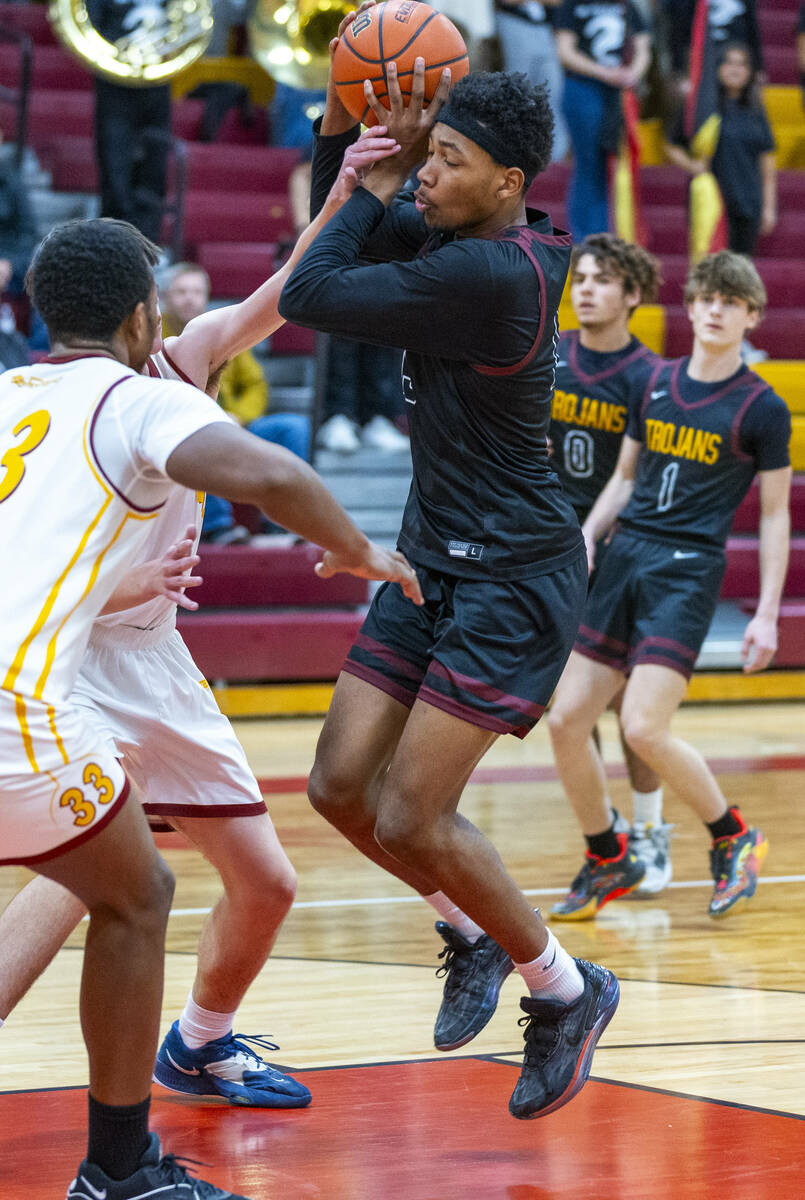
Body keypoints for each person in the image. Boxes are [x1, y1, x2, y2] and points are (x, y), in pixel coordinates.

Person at [0, 155, 422, 1199]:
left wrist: (346, 199)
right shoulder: (121, 407)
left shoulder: (154, 373)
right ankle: (120, 1165)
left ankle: (197, 1046)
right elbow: (265, 477)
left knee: (258, 882)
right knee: (115, 886)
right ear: (142, 306)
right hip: (67, 668)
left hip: (145, 660)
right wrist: (354, 549)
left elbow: (283, 288)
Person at [278, 10, 619, 1120]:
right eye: (424, 155)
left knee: (414, 817)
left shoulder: (490, 276)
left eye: (448, 160)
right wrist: (345, 121)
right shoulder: (457, 241)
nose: (426, 173)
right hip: (437, 558)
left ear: (509, 180)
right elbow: (357, 239)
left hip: (515, 578)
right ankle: (468, 934)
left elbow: (312, 291)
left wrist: (365, 185)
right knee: (337, 788)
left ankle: (563, 990)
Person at [547, 250, 791, 922]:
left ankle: (732, 835)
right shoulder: (654, 382)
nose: (714, 310)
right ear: (688, 308)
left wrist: (765, 615)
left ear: (749, 317)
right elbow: (624, 478)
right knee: (565, 718)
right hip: (625, 556)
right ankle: (606, 855)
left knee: (643, 728)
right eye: (705, 298)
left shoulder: (762, 409)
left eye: (729, 302)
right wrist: (587, 535)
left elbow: (774, 517)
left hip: (684, 572)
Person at [551, 232, 671, 899]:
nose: (585, 289)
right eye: (580, 279)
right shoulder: (551, 355)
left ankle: (650, 832)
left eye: (601, 280)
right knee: (566, 707)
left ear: (631, 294)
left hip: (617, 551)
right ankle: (607, 831)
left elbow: (639, 477)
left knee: (623, 703)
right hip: (549, 550)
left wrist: (594, 531)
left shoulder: (649, 377)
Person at [160, 261, 311, 542]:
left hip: (233, 424)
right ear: (165, 297)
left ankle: (283, 521)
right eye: (181, 292)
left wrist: (238, 417)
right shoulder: (155, 338)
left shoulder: (219, 331)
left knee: (294, 427)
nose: (190, 298)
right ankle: (217, 527)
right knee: (199, 435)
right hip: (187, 430)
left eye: (197, 291)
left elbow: (255, 385)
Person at [666, 42, 777, 259]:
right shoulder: (700, 106)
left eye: (742, 64)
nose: (735, 69)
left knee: (741, 270)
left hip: (748, 202)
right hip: (710, 201)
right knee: (709, 267)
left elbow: (767, 162)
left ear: (750, 72)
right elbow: (671, 144)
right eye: (729, 63)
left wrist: (769, 207)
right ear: (717, 67)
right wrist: (693, 167)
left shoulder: (756, 111)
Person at [554, 0, 651, 242]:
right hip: (584, 88)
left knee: (618, 165)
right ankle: (587, 239)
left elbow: (644, 48)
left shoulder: (628, 6)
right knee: (589, 165)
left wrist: (632, 74)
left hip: (618, 93)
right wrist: (605, 73)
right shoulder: (572, 6)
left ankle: (614, 235)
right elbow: (565, 51)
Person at [87, 0, 173, 243]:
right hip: (114, 77)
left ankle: (148, 245)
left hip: (157, 77)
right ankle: (112, 242)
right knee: (115, 165)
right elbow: (88, 29)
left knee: (156, 165)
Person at [494, 2, 569, 162]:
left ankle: (554, 158)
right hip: (513, 20)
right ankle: (510, 154)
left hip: (543, 26)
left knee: (553, 91)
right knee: (516, 92)